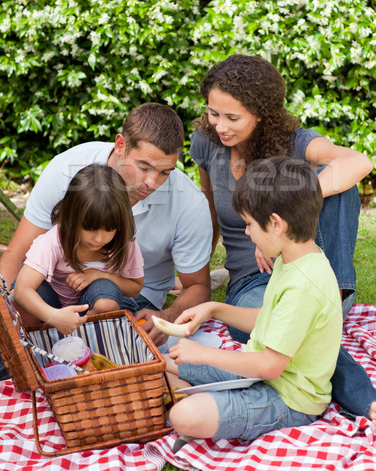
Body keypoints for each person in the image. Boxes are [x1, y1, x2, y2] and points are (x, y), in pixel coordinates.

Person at [189, 53, 376, 421]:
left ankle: (374, 405)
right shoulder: (206, 144)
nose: (220, 126)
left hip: (306, 267)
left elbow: (359, 161)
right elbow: (209, 208)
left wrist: (277, 218)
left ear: (261, 114)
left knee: (339, 182)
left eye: (233, 117)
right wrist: (201, 274)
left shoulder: (295, 143)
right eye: (214, 113)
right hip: (252, 278)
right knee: (270, 324)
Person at [0, 103, 212, 350]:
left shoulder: (189, 203)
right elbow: (18, 256)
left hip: (133, 300)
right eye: (144, 167)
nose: (152, 183)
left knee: (105, 305)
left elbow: (198, 286)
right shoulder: (66, 169)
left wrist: (167, 316)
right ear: (120, 145)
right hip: (51, 291)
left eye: (165, 172)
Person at [165, 157, 343, 446]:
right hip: (256, 372)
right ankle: (191, 391)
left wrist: (202, 354)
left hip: (288, 399)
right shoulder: (293, 259)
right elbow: (267, 319)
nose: (246, 232)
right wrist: (214, 308)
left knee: (184, 415)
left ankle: (189, 396)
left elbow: (269, 366)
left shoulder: (304, 285)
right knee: (161, 363)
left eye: (248, 224)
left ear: (275, 224)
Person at [13, 164, 144, 335]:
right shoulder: (55, 241)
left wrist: (99, 275)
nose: (99, 238)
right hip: (50, 309)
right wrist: (54, 316)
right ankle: (36, 342)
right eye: (90, 228)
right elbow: (22, 290)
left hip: (91, 310)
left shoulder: (124, 243)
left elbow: (135, 288)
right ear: (72, 217)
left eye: (109, 229)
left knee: (106, 300)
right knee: (21, 298)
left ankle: (83, 341)